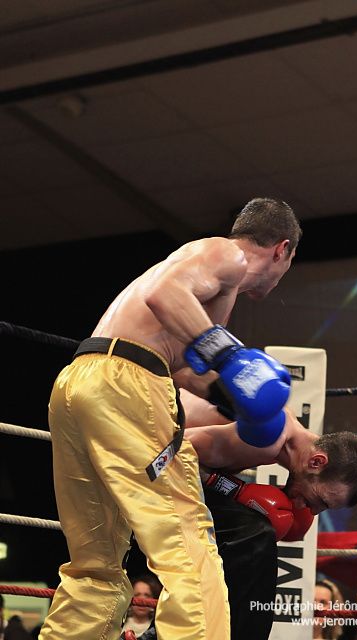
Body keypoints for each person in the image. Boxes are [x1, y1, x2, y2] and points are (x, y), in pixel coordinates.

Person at [39, 196, 302, 640]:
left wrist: (232, 399)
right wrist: (234, 360)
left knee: (96, 560)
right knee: (188, 544)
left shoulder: (210, 283)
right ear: (282, 250)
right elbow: (165, 297)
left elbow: (178, 368)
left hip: (80, 382)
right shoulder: (228, 254)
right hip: (126, 382)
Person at [133, 393, 357, 640]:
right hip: (134, 462)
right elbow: (166, 454)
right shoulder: (268, 438)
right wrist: (237, 490)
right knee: (256, 535)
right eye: (320, 501)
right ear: (316, 462)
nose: (312, 511)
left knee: (240, 540)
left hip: (150, 480)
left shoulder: (280, 432)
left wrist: (234, 489)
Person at [121, 574, 162, 639]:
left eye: (147, 595)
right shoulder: (116, 627)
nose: (142, 600)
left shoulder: (160, 630)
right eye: (137, 594)